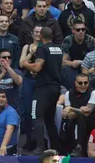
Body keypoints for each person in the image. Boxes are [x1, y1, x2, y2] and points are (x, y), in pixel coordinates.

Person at [23, 26, 64, 154]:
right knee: (49, 120)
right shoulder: (58, 49)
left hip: (43, 88)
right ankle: (56, 148)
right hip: (55, 88)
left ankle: (40, 147)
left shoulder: (42, 48)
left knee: (36, 116)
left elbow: (37, 67)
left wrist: (26, 64)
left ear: (41, 36)